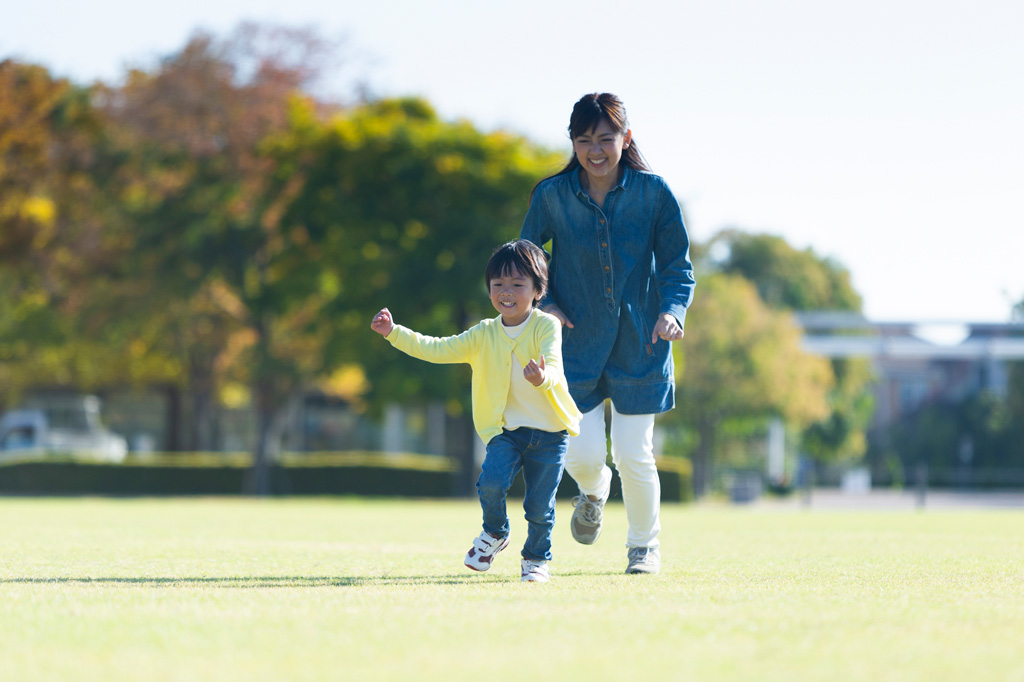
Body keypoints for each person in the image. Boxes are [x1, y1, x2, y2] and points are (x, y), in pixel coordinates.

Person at [520, 93, 695, 575]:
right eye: (583, 140)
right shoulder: (550, 196)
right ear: (573, 143)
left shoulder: (654, 193)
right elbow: (527, 260)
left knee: (635, 453)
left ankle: (644, 547)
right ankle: (594, 490)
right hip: (573, 346)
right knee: (581, 452)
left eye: (605, 139)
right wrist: (547, 303)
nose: (595, 150)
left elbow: (679, 266)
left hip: (643, 342)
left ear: (626, 138)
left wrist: (673, 312)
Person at [370, 240, 582, 582]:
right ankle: (496, 532)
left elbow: (553, 364)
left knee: (540, 508)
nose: (506, 292)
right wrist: (394, 333)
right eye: (498, 284)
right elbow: (437, 348)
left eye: (517, 284)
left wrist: (544, 378)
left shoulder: (546, 326)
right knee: (491, 483)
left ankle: (536, 560)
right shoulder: (484, 333)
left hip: (550, 433)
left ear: (538, 289)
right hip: (507, 432)